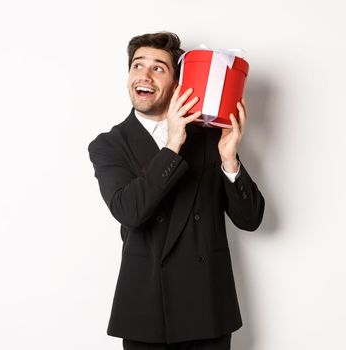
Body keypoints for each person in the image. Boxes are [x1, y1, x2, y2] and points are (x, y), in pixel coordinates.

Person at [87, 31, 266, 350]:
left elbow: (250, 219)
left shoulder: (210, 138)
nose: (144, 74)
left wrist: (229, 160)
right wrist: (173, 143)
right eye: (137, 65)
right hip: (147, 314)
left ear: (177, 84)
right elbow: (130, 211)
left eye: (158, 68)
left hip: (207, 310)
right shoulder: (109, 145)